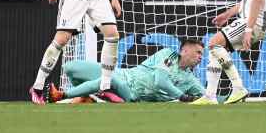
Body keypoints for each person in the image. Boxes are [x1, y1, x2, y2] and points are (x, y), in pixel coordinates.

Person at [50, 39, 204, 103]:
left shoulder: (190, 80)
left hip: (132, 94)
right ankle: (87, 97)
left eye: (202, 54)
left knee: (109, 80)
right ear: (184, 50)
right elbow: (160, 80)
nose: (200, 57)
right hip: (124, 74)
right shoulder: (169, 55)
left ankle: (62, 95)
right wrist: (182, 96)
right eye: (198, 52)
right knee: (71, 68)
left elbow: (208, 96)